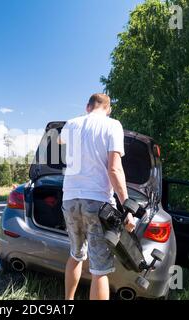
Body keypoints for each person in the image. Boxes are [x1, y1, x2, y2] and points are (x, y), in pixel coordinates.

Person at [58, 93, 135, 300]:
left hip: (70, 200)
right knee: (99, 270)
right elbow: (114, 169)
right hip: (97, 202)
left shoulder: (71, 124)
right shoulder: (113, 125)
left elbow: (58, 140)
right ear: (108, 109)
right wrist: (127, 207)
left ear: (87, 107)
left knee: (75, 255)